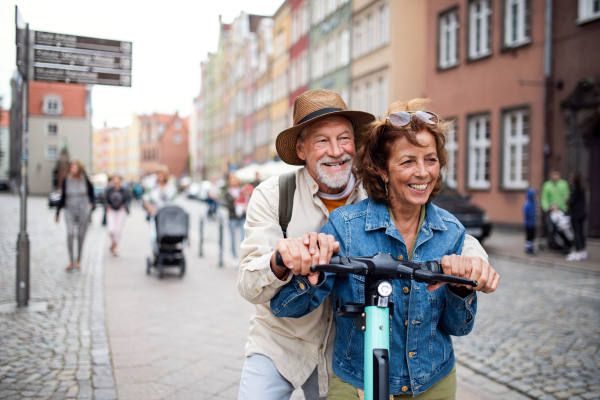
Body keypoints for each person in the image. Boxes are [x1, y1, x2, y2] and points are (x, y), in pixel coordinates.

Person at [236, 90, 494, 400]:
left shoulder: (377, 193)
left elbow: (455, 240)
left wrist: (471, 265)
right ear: (301, 149)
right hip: (284, 342)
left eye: (344, 138)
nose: (336, 151)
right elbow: (252, 283)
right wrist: (282, 260)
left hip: (347, 348)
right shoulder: (278, 197)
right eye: (321, 140)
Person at [55, 160, 95, 271]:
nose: (73, 168)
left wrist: (92, 204)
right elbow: (62, 196)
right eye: (71, 166)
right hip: (69, 209)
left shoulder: (84, 179)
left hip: (83, 209)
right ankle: (71, 260)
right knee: (70, 233)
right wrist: (57, 212)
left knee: (81, 235)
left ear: (79, 168)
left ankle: (78, 260)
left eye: (75, 166)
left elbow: (92, 193)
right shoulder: (66, 180)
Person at [143, 165, 177, 255]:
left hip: (168, 216)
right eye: (159, 174)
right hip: (155, 215)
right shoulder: (151, 187)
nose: (160, 177)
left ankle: (169, 252)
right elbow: (146, 201)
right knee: (154, 236)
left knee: (169, 234)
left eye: (162, 175)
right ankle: (156, 254)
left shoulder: (171, 187)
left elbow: (174, 201)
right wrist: (152, 211)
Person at [105, 175, 131, 256]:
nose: (116, 181)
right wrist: (107, 206)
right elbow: (105, 199)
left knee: (118, 230)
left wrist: (125, 206)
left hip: (120, 211)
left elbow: (128, 199)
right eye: (114, 179)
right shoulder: (109, 190)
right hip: (111, 211)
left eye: (117, 179)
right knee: (111, 229)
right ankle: (114, 243)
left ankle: (115, 246)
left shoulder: (124, 190)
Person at [224, 173, 246, 267]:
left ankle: (242, 256)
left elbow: (246, 200)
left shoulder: (242, 191)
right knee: (233, 238)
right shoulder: (228, 192)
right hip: (232, 218)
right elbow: (229, 205)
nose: (233, 181)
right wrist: (236, 204)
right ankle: (234, 257)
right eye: (231, 179)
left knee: (243, 237)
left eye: (234, 179)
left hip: (241, 218)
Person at [566, 173, 587, 261]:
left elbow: (571, 202)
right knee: (581, 232)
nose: (570, 179)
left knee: (577, 233)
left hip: (576, 214)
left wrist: (567, 201)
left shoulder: (575, 189)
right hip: (582, 213)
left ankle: (578, 252)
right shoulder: (582, 188)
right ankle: (583, 251)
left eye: (572, 178)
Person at [523, 188, 537, 255]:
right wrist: (532, 215)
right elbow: (526, 213)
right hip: (528, 224)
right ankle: (528, 249)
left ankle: (531, 248)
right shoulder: (528, 204)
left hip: (533, 223)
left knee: (532, 236)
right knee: (529, 236)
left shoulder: (533, 203)